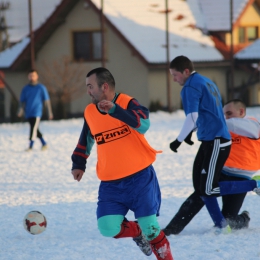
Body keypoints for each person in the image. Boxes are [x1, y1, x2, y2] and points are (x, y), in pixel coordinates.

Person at [71, 67, 174, 260]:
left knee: (152, 230)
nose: (88, 92)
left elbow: (144, 124)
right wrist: (78, 163)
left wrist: (116, 111)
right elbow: (85, 138)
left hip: (140, 178)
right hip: (111, 183)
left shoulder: (127, 102)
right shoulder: (90, 111)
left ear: (104, 87)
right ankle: (137, 232)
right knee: (107, 227)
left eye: (90, 86)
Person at [163, 99, 260, 235]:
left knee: (228, 220)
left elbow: (231, 124)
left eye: (229, 113)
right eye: (223, 114)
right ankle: (171, 230)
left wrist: (209, 122)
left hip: (241, 177)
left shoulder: (252, 125)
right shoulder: (224, 127)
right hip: (222, 172)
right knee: (199, 195)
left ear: (241, 112)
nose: (226, 117)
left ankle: (244, 218)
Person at [168, 55, 232, 233]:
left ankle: (252, 185)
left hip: (217, 141)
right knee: (201, 188)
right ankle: (175, 228)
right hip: (210, 140)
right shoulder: (205, 81)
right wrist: (192, 131)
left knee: (206, 188)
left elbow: (192, 116)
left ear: (186, 72)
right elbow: (207, 112)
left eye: (175, 75)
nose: (174, 79)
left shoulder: (190, 86)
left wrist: (178, 140)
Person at [17, 69, 53, 151]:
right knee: (35, 129)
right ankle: (44, 143)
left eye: (33, 75)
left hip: (37, 112)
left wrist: (49, 113)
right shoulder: (25, 88)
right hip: (28, 112)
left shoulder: (41, 88)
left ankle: (30, 146)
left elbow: (47, 101)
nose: (32, 77)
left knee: (33, 129)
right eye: (30, 76)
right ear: (28, 77)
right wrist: (20, 111)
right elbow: (22, 101)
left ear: (37, 76)